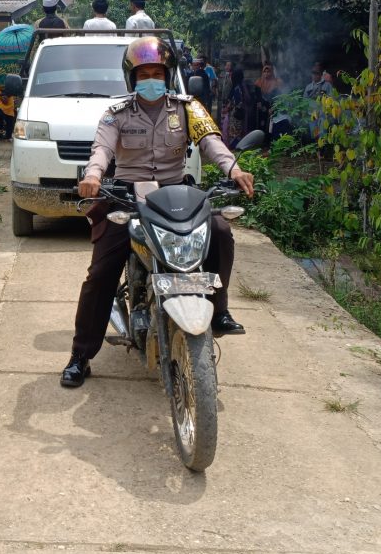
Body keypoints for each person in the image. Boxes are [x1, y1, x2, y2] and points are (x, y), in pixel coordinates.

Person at [62, 36, 255, 388]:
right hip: (127, 196)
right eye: (143, 74)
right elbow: (101, 150)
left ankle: (219, 310)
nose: (150, 79)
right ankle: (80, 355)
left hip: (175, 194)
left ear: (167, 75)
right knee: (101, 273)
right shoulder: (116, 114)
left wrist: (234, 169)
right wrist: (93, 176)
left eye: (157, 73)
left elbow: (211, 142)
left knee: (220, 231)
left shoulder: (187, 108)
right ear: (131, 78)